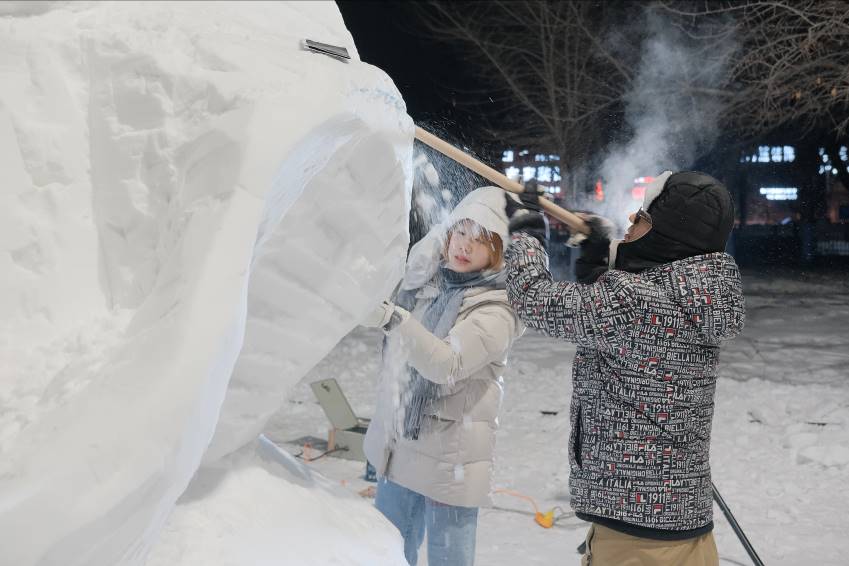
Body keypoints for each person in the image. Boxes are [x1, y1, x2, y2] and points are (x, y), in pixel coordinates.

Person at [504, 171, 745, 566]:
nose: (631, 222)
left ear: (669, 234)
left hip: (637, 541)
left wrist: (526, 237)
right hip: (681, 531)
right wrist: (598, 260)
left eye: (642, 218)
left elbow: (534, 300)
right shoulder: (698, 297)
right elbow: (616, 316)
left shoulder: (634, 303)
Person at [360, 186, 523, 566]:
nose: (464, 245)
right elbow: (408, 279)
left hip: (451, 460)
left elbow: (445, 364)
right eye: (460, 232)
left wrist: (395, 321)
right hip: (403, 446)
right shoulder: (432, 285)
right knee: (386, 551)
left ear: (498, 250)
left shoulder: (497, 309)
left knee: (450, 560)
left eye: (480, 239)